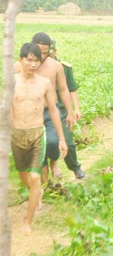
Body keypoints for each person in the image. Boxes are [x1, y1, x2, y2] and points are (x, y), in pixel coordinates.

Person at [11, 43, 68, 233]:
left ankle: (28, 222)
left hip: (37, 134)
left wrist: (61, 138)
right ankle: (37, 192)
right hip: (16, 134)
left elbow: (53, 109)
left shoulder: (44, 83)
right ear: (21, 60)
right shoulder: (11, 82)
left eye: (36, 60)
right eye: (29, 60)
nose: (33, 64)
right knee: (23, 175)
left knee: (35, 176)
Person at [17, 32, 75, 183]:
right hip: (30, 113)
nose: (41, 57)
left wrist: (70, 112)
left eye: (45, 52)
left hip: (50, 111)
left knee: (52, 141)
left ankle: (54, 163)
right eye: (39, 52)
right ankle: (44, 185)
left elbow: (63, 90)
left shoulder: (56, 67)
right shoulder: (19, 67)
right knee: (37, 149)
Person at [49, 39, 85, 179]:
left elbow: (71, 89)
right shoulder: (38, 67)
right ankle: (52, 168)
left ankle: (75, 168)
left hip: (62, 111)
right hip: (45, 111)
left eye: (50, 52)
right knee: (49, 143)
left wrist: (76, 108)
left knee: (68, 142)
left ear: (55, 51)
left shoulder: (64, 67)